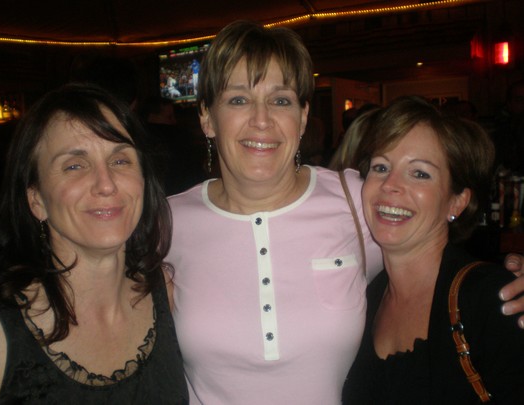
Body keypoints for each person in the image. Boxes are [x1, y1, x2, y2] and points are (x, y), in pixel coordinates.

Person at [165, 21, 524, 405]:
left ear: (303, 117)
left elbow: (428, 251)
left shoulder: (357, 199)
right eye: (238, 99)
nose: (262, 119)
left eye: (281, 100)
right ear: (207, 117)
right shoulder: (166, 223)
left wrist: (510, 278)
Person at [0, 83, 188, 404]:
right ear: (36, 200)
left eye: (120, 161)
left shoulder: (166, 291)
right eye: (74, 166)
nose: (106, 184)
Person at [342, 96, 524, 403]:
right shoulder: (364, 298)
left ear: (457, 202)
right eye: (381, 167)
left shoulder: (494, 299)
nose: (390, 184)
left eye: (420, 173)